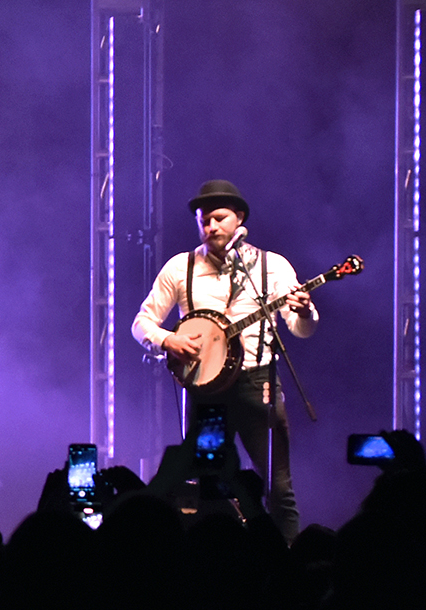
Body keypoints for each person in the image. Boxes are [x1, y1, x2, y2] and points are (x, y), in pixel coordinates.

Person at [131, 178, 317, 543]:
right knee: (208, 486)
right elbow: (141, 323)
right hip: (206, 394)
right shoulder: (179, 268)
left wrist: (305, 309)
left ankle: (288, 564)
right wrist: (168, 339)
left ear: (240, 219)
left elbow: (300, 328)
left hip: (257, 384)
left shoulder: (271, 266)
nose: (210, 227)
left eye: (218, 218)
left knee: (278, 487)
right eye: (203, 221)